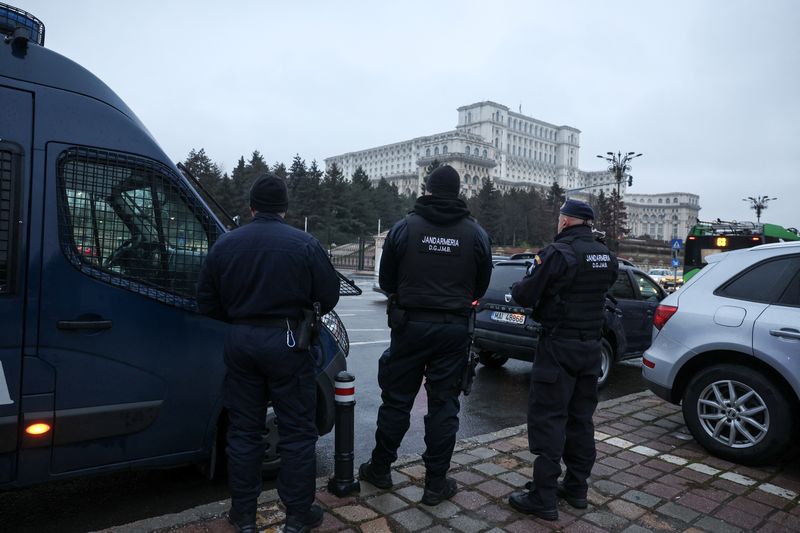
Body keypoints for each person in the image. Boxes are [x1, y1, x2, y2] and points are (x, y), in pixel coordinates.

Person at [197, 173, 340, 533]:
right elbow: (329, 294)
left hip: (242, 341)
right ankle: (297, 516)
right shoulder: (304, 244)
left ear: (252, 207)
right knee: (296, 433)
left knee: (243, 431)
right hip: (289, 342)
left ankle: (243, 515)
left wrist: (242, 319)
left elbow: (207, 301)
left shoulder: (226, 244)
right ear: (285, 210)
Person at [359, 165, 493, 505]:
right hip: (453, 328)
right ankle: (435, 483)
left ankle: (380, 468)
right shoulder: (475, 233)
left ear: (428, 189)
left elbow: (386, 280)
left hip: (409, 326)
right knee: (444, 404)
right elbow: (482, 283)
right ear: (458, 192)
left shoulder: (404, 228)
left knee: (397, 399)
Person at [507, 199, 618, 521]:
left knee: (549, 419)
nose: (558, 223)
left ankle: (542, 497)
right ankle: (577, 489)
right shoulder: (605, 255)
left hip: (559, 346)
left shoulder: (558, 253)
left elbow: (526, 294)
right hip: (591, 349)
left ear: (567, 221)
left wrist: (519, 287)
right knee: (581, 420)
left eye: (560, 219)